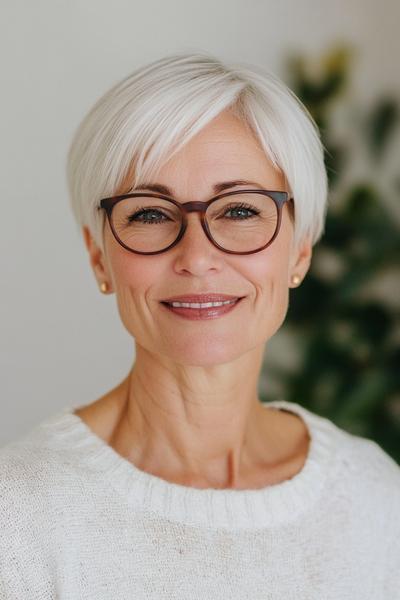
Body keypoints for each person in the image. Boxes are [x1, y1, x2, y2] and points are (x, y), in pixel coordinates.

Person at [1, 51, 399, 599]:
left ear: (300, 250)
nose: (197, 257)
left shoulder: (375, 502)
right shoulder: (17, 516)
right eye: (149, 213)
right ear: (99, 257)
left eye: (239, 210)